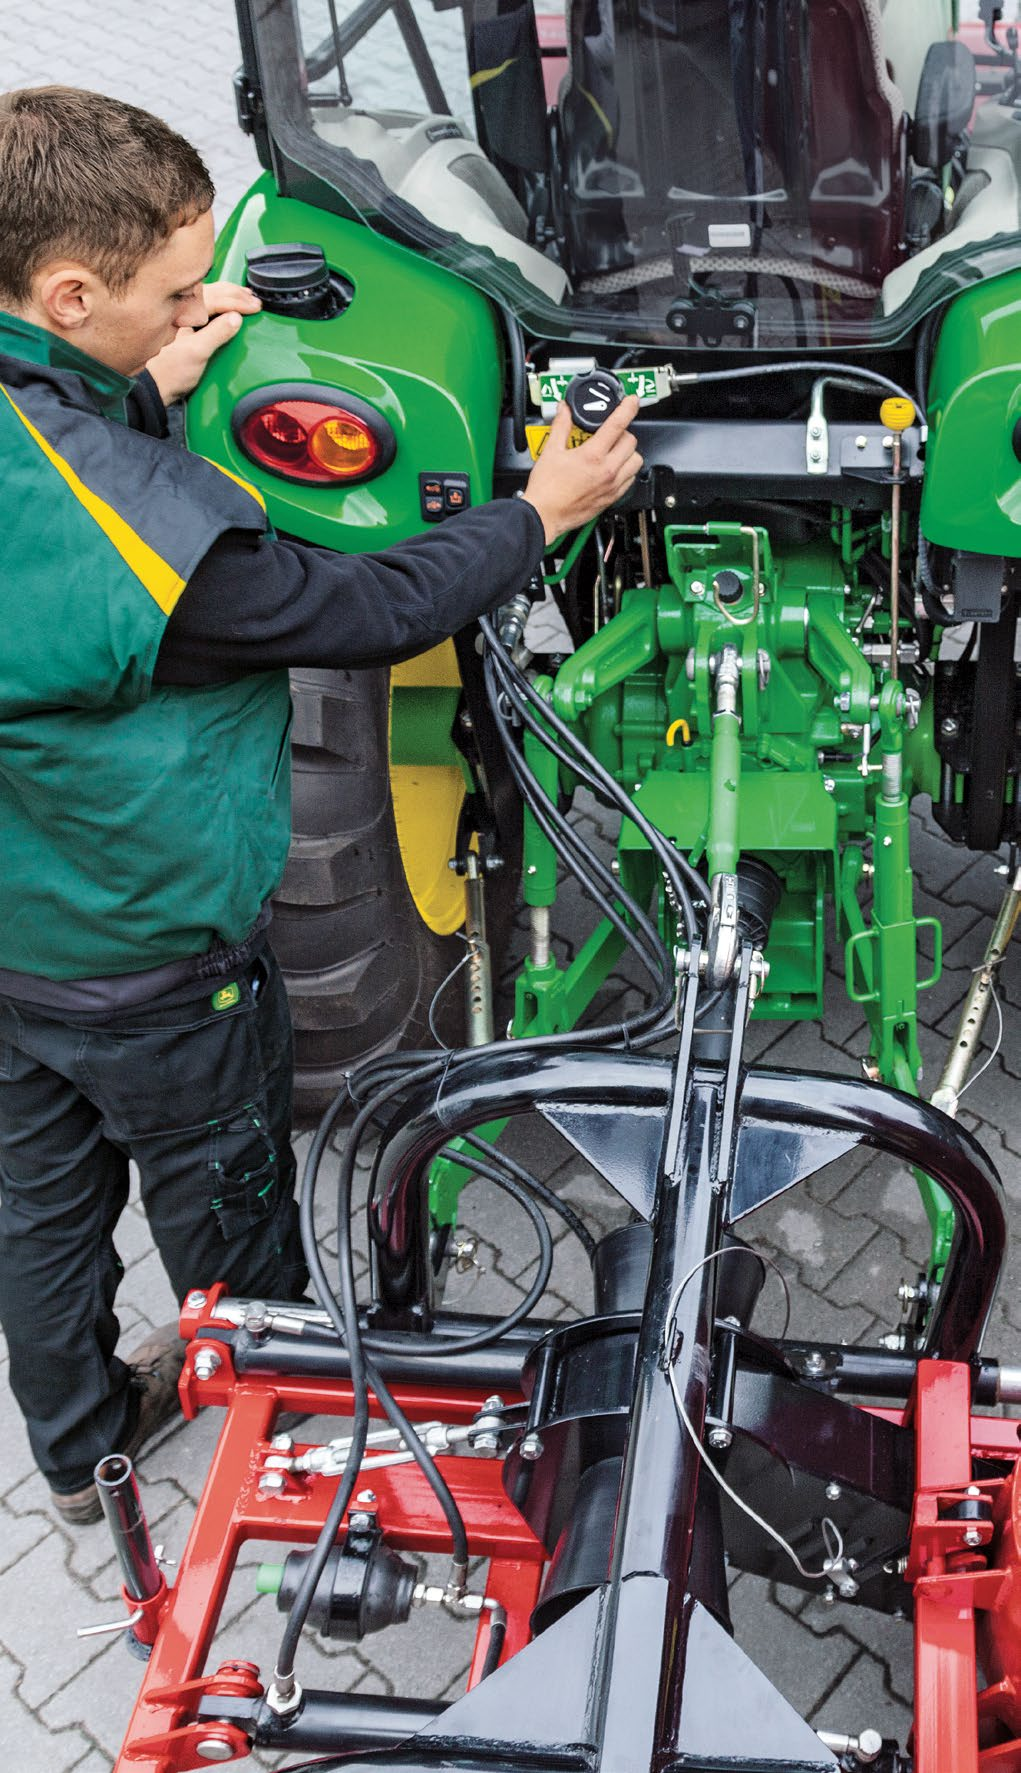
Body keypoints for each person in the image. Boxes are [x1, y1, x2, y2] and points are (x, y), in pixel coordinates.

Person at [0, 86, 642, 1525]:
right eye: (171, 295)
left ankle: (83, 1449)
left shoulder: (44, 398)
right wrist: (546, 510)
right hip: (148, 947)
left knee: (39, 1201)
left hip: (12, 928)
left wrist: (147, 387)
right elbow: (360, 604)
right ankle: (283, 1433)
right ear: (69, 290)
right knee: (223, 1192)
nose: (196, 307)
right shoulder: (147, 536)